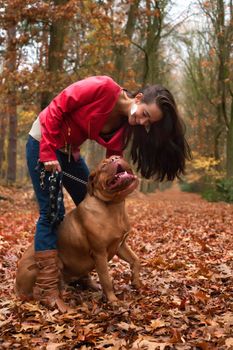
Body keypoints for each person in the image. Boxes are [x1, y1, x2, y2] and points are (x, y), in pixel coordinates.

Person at [26, 75, 191, 312]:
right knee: (52, 212)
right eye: (144, 113)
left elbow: (112, 164)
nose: (141, 121)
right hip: (43, 139)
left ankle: (80, 273)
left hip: (70, 151)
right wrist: (47, 153)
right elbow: (58, 107)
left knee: (92, 205)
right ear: (139, 97)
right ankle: (46, 288)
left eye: (148, 123)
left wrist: (118, 183)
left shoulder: (125, 128)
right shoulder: (102, 87)